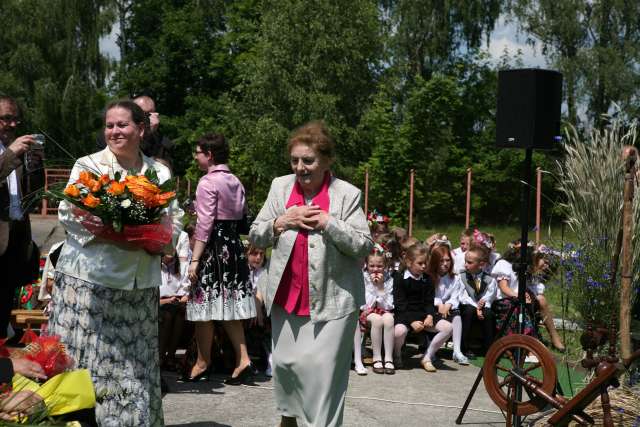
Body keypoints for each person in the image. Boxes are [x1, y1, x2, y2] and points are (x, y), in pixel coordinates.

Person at [49, 99, 184, 427]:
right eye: (109, 125)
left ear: (141, 129)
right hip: (89, 286)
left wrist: (159, 239)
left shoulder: (159, 172)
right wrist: (115, 233)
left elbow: (174, 217)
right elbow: (69, 213)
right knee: (86, 366)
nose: (114, 131)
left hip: (139, 287)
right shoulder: (89, 165)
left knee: (132, 369)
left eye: (122, 124)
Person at [249, 120, 372, 427]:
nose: (300, 168)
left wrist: (329, 223)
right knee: (287, 366)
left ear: (326, 161)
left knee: (322, 377)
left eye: (308, 160)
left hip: (334, 301)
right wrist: (282, 221)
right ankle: (289, 419)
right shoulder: (280, 187)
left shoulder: (346, 194)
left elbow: (363, 245)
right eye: (295, 161)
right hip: (287, 299)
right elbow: (255, 235)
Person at [185, 133, 256, 385]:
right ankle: (243, 359)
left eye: (198, 152)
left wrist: (195, 259)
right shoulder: (235, 181)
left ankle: (202, 362)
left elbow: (205, 224)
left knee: (202, 307)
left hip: (213, 249)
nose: (195, 157)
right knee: (230, 306)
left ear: (209, 155)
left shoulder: (207, 182)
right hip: (233, 248)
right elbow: (243, 218)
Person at [0, 95, 43, 339]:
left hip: (13, 243)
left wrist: (35, 166)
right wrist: (11, 154)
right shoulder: (11, 151)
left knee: (3, 310)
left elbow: (33, 196)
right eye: (6, 118)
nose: (13, 124)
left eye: (16, 119)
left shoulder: (16, 150)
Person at [393, 243, 452, 372]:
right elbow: (399, 304)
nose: (424, 266)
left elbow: (429, 301)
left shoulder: (427, 279)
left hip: (423, 314)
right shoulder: (399, 278)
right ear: (409, 262)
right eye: (420, 263)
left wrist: (430, 315)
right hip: (405, 315)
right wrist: (411, 321)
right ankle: (396, 354)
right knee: (399, 332)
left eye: (425, 263)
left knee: (447, 327)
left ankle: (427, 356)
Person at [95, 96, 173, 165]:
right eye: (142, 113)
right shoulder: (109, 135)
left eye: (149, 113)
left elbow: (165, 166)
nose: (146, 117)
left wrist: (150, 134)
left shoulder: (161, 141)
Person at [355, 244, 394, 375]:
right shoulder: (363, 277)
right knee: (377, 320)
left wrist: (381, 286)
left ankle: (388, 357)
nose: (375, 269)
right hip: (366, 312)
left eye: (379, 266)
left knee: (389, 319)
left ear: (385, 265)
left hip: (382, 310)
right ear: (367, 264)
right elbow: (365, 305)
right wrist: (373, 285)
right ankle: (376, 357)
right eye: (372, 266)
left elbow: (388, 306)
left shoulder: (388, 278)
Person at [428, 245, 469, 365]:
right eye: (441, 261)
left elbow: (456, 295)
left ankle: (457, 351)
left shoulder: (455, 278)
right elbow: (429, 295)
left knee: (456, 315)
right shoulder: (429, 277)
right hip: (433, 308)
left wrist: (449, 304)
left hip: (448, 307)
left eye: (448, 260)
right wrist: (439, 304)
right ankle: (431, 349)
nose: (445, 264)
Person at [457, 244, 498, 357]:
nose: (466, 265)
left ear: (481, 264)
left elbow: (490, 295)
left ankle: (488, 348)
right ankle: (464, 347)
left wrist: (483, 304)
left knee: (488, 314)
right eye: (465, 261)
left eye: (469, 262)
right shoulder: (462, 277)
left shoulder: (490, 280)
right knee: (469, 311)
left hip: (482, 306)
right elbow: (462, 296)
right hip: (467, 305)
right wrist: (477, 308)